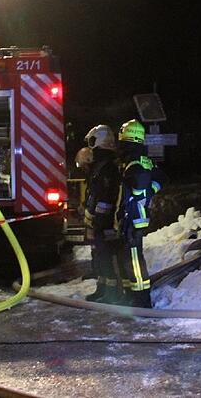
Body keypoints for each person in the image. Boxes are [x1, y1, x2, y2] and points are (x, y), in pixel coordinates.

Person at [114, 119, 166, 309]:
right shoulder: (142, 160)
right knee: (127, 259)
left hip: (134, 219)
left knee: (134, 261)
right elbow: (161, 178)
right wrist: (150, 190)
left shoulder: (134, 162)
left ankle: (142, 300)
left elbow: (139, 186)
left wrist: (145, 191)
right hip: (134, 218)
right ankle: (131, 296)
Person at [81, 126, 122, 303]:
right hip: (100, 223)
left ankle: (111, 293)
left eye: (91, 142)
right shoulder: (100, 166)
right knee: (100, 258)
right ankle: (102, 289)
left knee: (106, 258)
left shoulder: (107, 168)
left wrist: (100, 222)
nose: (90, 147)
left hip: (106, 224)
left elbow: (105, 199)